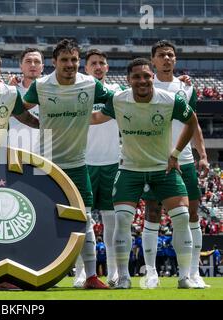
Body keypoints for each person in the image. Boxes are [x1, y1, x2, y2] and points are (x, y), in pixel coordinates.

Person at [91, 57, 199, 289]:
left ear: (153, 77)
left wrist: (176, 153)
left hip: (164, 168)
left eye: (146, 76)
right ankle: (123, 277)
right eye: (136, 77)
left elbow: (192, 121)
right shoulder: (118, 99)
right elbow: (96, 118)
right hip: (130, 169)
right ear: (128, 80)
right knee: (122, 220)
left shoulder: (170, 100)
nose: (142, 80)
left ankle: (184, 277)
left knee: (181, 218)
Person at [23, 39, 113, 289]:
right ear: (54, 62)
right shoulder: (41, 85)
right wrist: (34, 123)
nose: (70, 64)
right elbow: (19, 108)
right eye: (64, 60)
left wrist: (93, 119)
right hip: (46, 164)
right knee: (40, 219)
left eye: (74, 59)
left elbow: (116, 102)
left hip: (77, 163)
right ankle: (36, 270)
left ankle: (92, 276)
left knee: (84, 219)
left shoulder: (90, 84)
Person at [141, 40, 209, 289]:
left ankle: (192, 273)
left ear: (175, 59)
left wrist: (202, 154)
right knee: (152, 214)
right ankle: (150, 273)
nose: (167, 58)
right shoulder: (145, 84)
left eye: (170, 55)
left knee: (192, 214)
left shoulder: (185, 87)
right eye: (161, 55)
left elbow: (194, 123)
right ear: (153, 60)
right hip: (154, 160)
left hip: (186, 160)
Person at [74, 49, 124, 288]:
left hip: (112, 163)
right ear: (86, 67)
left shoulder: (117, 92)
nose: (98, 66)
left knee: (111, 223)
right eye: (93, 63)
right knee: (81, 221)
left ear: (107, 67)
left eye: (102, 63)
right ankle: (81, 273)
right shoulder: (80, 88)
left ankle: (113, 272)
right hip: (82, 162)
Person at [7, 48, 44, 152]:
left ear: (42, 67)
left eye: (37, 62)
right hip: (13, 154)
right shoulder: (10, 89)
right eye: (28, 61)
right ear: (21, 66)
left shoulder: (51, 91)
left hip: (43, 155)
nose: (33, 65)